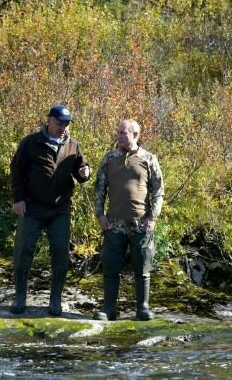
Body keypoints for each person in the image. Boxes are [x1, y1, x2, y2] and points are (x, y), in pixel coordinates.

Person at [9, 104, 90, 316]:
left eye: (66, 123)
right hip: (32, 207)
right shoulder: (31, 142)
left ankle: (55, 300)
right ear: (49, 121)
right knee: (23, 251)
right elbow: (16, 169)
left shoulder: (73, 145)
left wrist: (85, 173)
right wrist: (18, 199)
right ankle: (20, 297)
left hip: (60, 209)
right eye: (59, 122)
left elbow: (81, 173)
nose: (63, 127)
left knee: (60, 253)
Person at [93, 119, 164, 321]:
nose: (119, 135)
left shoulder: (149, 159)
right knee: (110, 266)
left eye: (123, 132)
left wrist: (153, 217)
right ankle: (108, 309)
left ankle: (143, 308)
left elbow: (158, 191)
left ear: (135, 135)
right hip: (113, 223)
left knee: (142, 266)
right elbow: (99, 189)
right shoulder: (109, 158)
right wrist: (100, 214)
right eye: (118, 132)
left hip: (141, 223)